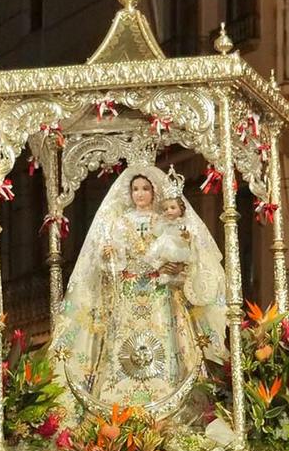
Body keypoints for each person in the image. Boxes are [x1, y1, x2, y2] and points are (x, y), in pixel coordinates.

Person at [54, 168, 230, 419]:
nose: (140, 194)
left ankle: (168, 398)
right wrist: (109, 256)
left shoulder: (166, 219)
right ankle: (118, 399)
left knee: (168, 338)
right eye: (135, 189)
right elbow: (111, 259)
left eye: (145, 189)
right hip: (128, 292)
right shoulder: (119, 222)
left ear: (154, 192)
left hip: (160, 292)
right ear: (129, 193)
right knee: (121, 340)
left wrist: (179, 265)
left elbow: (185, 250)